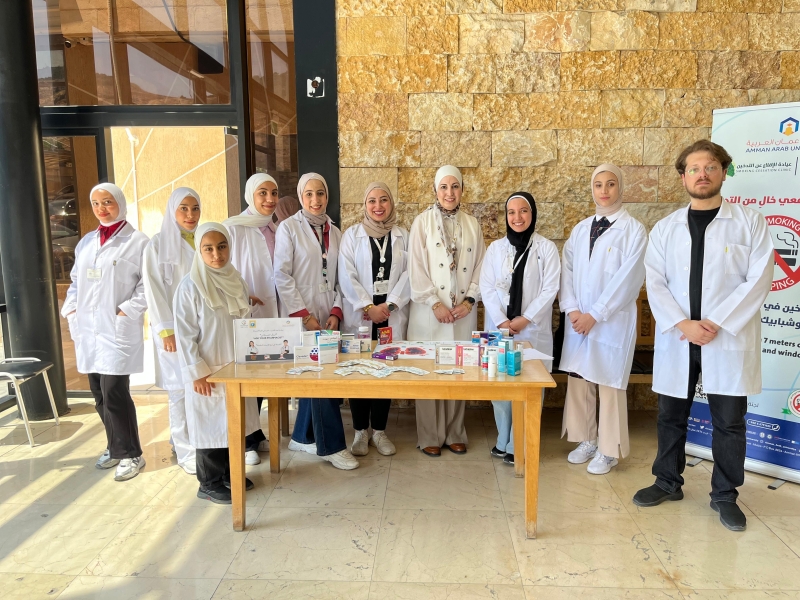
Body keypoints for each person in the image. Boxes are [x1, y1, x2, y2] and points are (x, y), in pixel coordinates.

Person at [634, 140, 774, 532]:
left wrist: (715, 323)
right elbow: (655, 281)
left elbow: (759, 279)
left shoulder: (750, 222)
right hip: (679, 338)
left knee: (729, 421)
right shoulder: (666, 228)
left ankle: (725, 495)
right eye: (694, 169)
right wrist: (683, 324)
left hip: (725, 338)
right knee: (670, 416)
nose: (702, 175)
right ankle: (667, 481)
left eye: (710, 167)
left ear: (723, 172)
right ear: (683, 177)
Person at [559, 165, 647, 475]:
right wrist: (572, 310)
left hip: (610, 321)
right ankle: (586, 439)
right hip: (578, 320)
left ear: (620, 188)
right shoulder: (581, 229)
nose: (604, 190)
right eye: (598, 184)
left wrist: (595, 314)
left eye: (611, 184)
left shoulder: (634, 230)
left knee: (609, 383)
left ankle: (609, 450)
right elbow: (567, 270)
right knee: (580, 378)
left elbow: (629, 279)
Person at [62, 183, 149, 481]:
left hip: (116, 329)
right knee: (99, 392)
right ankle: (115, 447)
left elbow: (147, 286)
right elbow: (76, 281)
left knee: (114, 391)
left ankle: (131, 454)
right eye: (96, 203)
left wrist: (126, 310)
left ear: (120, 203)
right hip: (89, 329)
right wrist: (71, 310)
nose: (102, 208)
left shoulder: (138, 242)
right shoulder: (86, 242)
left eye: (108, 202)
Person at [274, 172, 358, 470]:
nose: (315, 199)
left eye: (320, 193)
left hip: (327, 315)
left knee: (323, 374)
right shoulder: (289, 228)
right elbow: (281, 276)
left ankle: (302, 436)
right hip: (301, 316)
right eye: (308, 194)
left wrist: (336, 311)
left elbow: (341, 279)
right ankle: (332, 446)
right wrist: (304, 315)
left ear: (327, 196)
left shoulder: (335, 232)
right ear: (300, 197)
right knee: (318, 376)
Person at [173, 222, 262, 504]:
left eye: (222, 247)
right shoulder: (190, 287)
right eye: (208, 248)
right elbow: (185, 335)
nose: (216, 254)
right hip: (208, 369)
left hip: (235, 366)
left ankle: (228, 474)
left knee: (232, 423)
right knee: (210, 426)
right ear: (199, 251)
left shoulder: (237, 280)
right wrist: (197, 373)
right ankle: (209, 482)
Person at [408, 165, 485, 457]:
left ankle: (455, 432)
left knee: (458, 370)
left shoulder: (472, 224)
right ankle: (429, 434)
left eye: (455, 186)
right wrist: (435, 303)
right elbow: (415, 267)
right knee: (429, 370)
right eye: (444, 187)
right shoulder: (422, 222)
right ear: (435, 190)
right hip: (429, 312)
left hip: (462, 313)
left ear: (462, 190)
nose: (449, 193)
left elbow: (481, 266)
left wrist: (469, 301)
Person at [480, 192, 560, 466]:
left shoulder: (546, 248)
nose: (517, 217)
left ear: (532, 214)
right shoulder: (495, 249)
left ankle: (520, 444)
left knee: (529, 386)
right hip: (500, 327)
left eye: (523, 211)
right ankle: (503, 440)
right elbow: (487, 287)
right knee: (500, 385)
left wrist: (525, 318)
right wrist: (501, 321)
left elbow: (550, 288)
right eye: (511, 212)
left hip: (531, 329)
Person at [339, 182, 410, 457]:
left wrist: (389, 305)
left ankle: (379, 431)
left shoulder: (403, 236)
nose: (378, 206)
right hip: (362, 315)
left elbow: (410, 274)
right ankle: (360, 431)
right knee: (359, 370)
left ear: (391, 203)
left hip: (390, 315)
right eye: (372, 201)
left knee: (384, 370)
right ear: (365, 205)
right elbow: (346, 275)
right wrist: (368, 306)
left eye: (383, 200)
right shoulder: (351, 236)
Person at [223, 173, 282, 466]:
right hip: (245, 312)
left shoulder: (275, 228)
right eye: (262, 193)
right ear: (250, 195)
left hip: (273, 313)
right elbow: (221, 269)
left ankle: (256, 432)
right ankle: (245, 440)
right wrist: (242, 294)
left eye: (274, 193)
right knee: (246, 375)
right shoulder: (232, 228)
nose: (270, 199)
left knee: (264, 374)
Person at [143, 187, 201, 475]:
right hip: (173, 330)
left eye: (195, 208)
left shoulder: (203, 240)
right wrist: (166, 331)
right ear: (172, 211)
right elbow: (153, 290)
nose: (190, 215)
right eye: (183, 209)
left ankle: (193, 440)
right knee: (179, 390)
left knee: (197, 388)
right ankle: (185, 449)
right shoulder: (156, 245)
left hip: (199, 327)